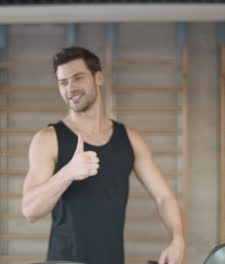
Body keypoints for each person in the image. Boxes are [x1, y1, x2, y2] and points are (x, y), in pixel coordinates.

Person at [22, 47, 184, 264]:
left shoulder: (130, 139)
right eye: (63, 82)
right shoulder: (48, 138)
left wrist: (178, 239)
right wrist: (67, 173)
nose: (71, 88)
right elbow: (30, 210)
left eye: (78, 77)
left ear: (98, 77)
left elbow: (164, 197)